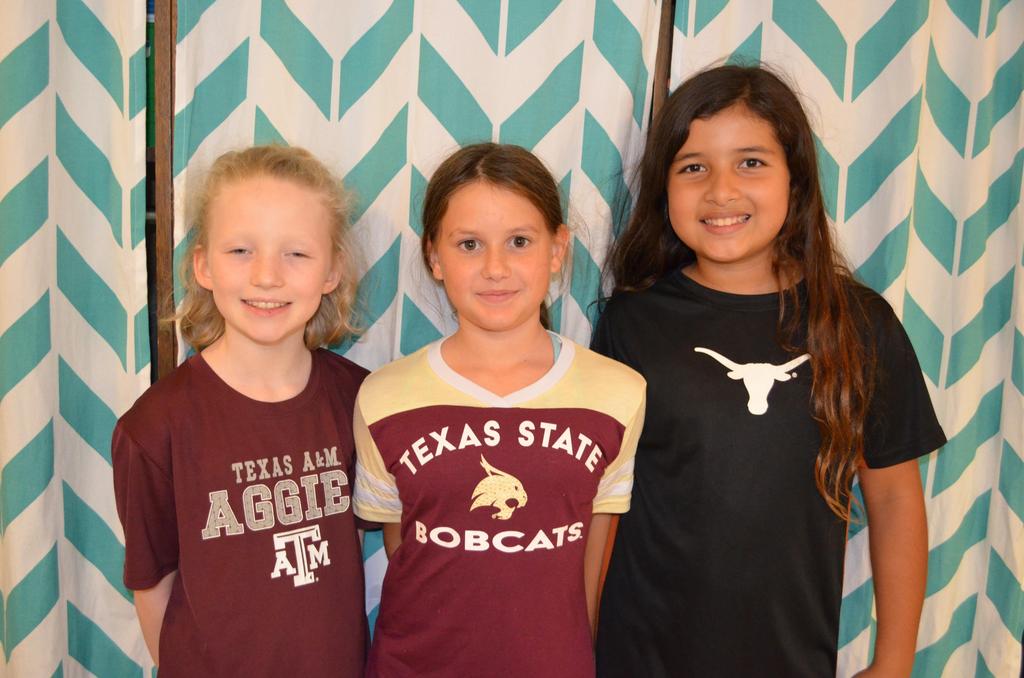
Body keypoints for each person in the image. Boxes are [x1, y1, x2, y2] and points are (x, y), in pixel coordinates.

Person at [593, 65, 946, 677]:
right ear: (664, 188)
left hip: (789, 658)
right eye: (693, 166)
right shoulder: (631, 322)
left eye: (751, 162)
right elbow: (602, 501)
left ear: (796, 179)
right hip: (638, 655)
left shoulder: (862, 324)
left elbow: (892, 498)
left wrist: (893, 663)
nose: (721, 190)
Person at [352, 143, 646, 677]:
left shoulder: (617, 393)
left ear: (557, 250)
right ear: (435, 257)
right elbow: (404, 549)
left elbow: (592, 560)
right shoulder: (385, 396)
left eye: (519, 241)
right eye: (469, 244)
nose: (495, 267)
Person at [112, 145, 369, 677]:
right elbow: (151, 583)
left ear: (331, 271)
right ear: (203, 265)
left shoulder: (361, 401)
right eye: (240, 252)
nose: (267, 277)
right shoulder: (155, 427)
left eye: (295, 253)